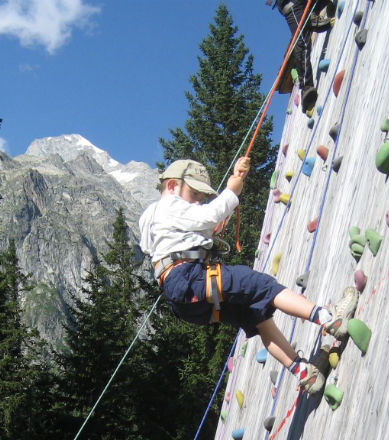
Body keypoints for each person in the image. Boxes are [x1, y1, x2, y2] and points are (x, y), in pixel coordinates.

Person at [138, 157, 357, 394]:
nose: (198, 201)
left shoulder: (151, 220)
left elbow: (205, 225)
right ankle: (330, 319)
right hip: (192, 278)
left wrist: (235, 182)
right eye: (194, 194)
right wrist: (231, 192)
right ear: (172, 186)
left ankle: (305, 374)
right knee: (263, 287)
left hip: (186, 302)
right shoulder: (168, 205)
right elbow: (208, 217)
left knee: (256, 315)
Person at [268, 0, 334, 112]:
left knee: (303, 40)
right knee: (302, 42)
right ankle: (306, 87)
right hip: (291, 3)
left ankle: (311, 17)